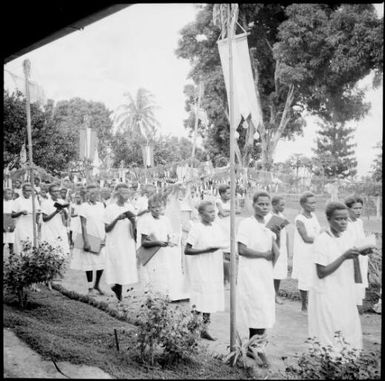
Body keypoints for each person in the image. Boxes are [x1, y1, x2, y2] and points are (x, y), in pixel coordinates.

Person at [308, 202, 362, 352]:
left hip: (344, 289)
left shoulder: (347, 237)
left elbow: (352, 255)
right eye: (338, 219)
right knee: (330, 330)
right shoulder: (322, 240)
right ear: (328, 219)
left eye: (345, 219)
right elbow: (321, 272)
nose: (343, 222)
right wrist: (344, 256)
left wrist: (361, 251)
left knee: (346, 326)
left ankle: (346, 361)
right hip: (328, 292)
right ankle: (330, 364)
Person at [237, 191, 279, 367]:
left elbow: (275, 251)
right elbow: (242, 249)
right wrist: (263, 254)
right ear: (253, 205)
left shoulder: (270, 225)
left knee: (264, 308)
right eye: (260, 204)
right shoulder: (246, 224)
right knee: (255, 307)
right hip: (250, 271)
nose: (264, 207)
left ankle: (256, 346)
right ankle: (255, 348)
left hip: (265, 272)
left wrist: (278, 234)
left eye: (267, 204)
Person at [184, 201, 226, 341]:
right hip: (200, 267)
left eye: (214, 212)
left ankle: (204, 328)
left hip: (214, 266)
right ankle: (193, 327)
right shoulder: (196, 228)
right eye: (209, 212)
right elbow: (187, 250)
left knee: (210, 297)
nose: (213, 214)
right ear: (201, 214)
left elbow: (221, 243)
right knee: (200, 296)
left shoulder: (216, 227)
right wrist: (206, 250)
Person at [140, 195, 187, 301]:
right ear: (149, 208)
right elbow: (144, 242)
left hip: (164, 251)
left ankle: (167, 295)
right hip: (152, 253)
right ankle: (153, 298)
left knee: (165, 273)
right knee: (154, 276)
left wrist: (172, 240)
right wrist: (157, 242)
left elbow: (169, 234)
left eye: (159, 207)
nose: (157, 209)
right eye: (154, 207)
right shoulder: (146, 221)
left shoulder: (165, 219)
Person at [104, 183, 138, 301]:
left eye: (127, 193)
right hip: (115, 241)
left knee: (124, 265)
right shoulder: (110, 208)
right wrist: (117, 219)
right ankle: (117, 288)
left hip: (127, 241)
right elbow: (106, 229)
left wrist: (133, 220)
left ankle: (119, 289)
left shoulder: (130, 207)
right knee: (116, 265)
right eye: (123, 193)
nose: (126, 195)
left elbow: (134, 227)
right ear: (117, 194)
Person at [70, 186, 106, 295]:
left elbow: (104, 221)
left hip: (100, 236)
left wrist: (105, 237)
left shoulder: (101, 205)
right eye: (91, 194)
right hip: (89, 236)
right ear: (87, 195)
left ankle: (97, 284)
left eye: (95, 193)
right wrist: (86, 241)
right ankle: (90, 288)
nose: (94, 196)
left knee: (102, 262)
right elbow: (83, 224)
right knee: (89, 262)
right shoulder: (84, 207)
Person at [292, 191, 321, 312]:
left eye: (315, 202)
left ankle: (314, 304)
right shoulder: (299, 219)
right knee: (304, 277)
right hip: (304, 252)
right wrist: (321, 238)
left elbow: (317, 231)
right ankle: (304, 305)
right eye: (311, 203)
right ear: (303, 204)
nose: (314, 205)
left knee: (315, 276)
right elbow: (306, 238)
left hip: (315, 250)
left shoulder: (313, 216)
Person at [344, 196, 368, 308]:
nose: (358, 211)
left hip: (362, 258)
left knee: (360, 283)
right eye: (355, 208)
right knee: (349, 283)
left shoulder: (360, 222)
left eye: (360, 208)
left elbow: (361, 240)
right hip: (350, 259)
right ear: (348, 209)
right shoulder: (345, 223)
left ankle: (358, 305)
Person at [265, 195, 290, 304]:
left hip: (282, 248)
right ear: (274, 205)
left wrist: (287, 251)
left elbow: (286, 234)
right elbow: (269, 234)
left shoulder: (282, 216)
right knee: (271, 273)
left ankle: (275, 294)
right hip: (273, 247)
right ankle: (269, 295)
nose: (283, 207)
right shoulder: (269, 217)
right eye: (281, 205)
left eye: (284, 205)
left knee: (278, 274)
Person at [40, 184, 70, 257]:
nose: (56, 193)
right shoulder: (45, 203)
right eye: (54, 191)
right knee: (50, 252)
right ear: (50, 193)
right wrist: (56, 212)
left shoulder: (62, 201)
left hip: (60, 228)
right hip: (49, 229)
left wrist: (64, 210)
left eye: (57, 191)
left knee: (61, 252)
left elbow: (66, 217)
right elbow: (44, 219)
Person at [11, 183, 40, 254]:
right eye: (27, 190)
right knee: (21, 243)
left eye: (30, 191)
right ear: (23, 191)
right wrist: (21, 212)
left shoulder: (34, 200)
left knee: (32, 243)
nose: (28, 192)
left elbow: (38, 211)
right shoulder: (18, 200)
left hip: (31, 225)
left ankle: (31, 261)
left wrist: (37, 214)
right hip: (21, 226)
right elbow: (12, 214)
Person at [215, 184, 231, 287]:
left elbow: (238, 210)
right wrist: (227, 212)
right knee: (221, 255)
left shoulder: (231, 202)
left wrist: (226, 212)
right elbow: (222, 213)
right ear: (221, 194)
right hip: (220, 229)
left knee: (229, 255)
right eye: (228, 193)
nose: (230, 195)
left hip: (229, 228)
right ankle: (224, 280)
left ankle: (228, 279)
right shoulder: (218, 201)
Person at [3, 188, 15, 255]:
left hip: (10, 221)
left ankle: (12, 259)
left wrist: (13, 224)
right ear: (4, 194)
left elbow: (14, 214)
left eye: (11, 193)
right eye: (8, 193)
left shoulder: (13, 202)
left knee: (11, 242)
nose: (9, 195)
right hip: (3, 221)